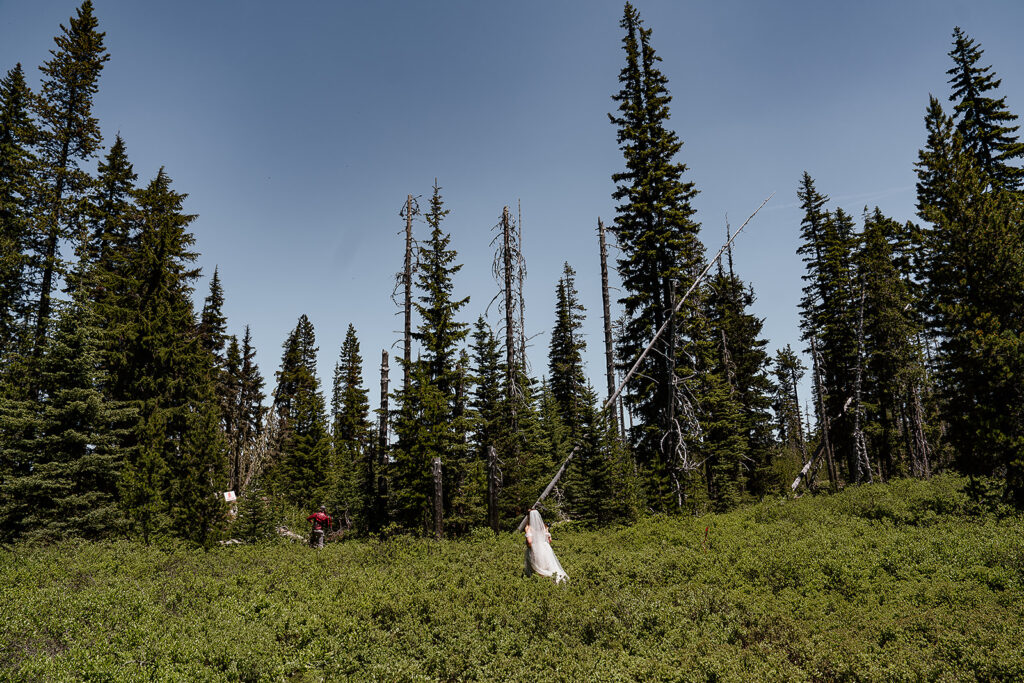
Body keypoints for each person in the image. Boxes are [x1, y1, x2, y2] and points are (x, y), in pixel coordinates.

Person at [523, 509, 568, 584]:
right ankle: (552, 583)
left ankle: (538, 585)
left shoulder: (528, 528)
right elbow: (549, 540)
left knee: (537, 568)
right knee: (548, 567)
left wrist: (529, 546)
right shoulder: (543, 527)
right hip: (545, 548)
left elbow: (530, 541)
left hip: (536, 549)